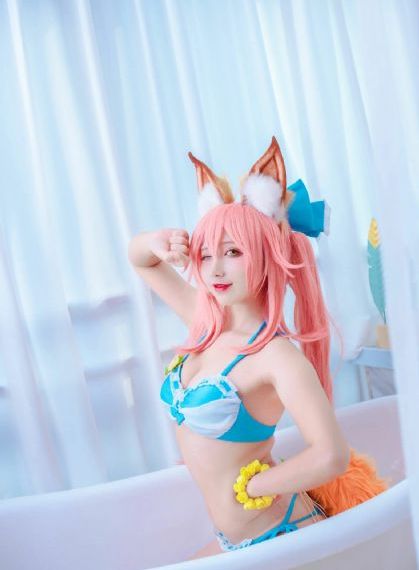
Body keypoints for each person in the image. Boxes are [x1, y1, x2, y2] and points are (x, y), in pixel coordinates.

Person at [127, 136, 387, 559]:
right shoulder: (205, 322)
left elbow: (332, 455)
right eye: (205, 254)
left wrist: (255, 485)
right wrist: (157, 241)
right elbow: (141, 259)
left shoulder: (277, 357)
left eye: (232, 252)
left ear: (266, 254)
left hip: (280, 534)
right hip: (233, 540)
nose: (215, 269)